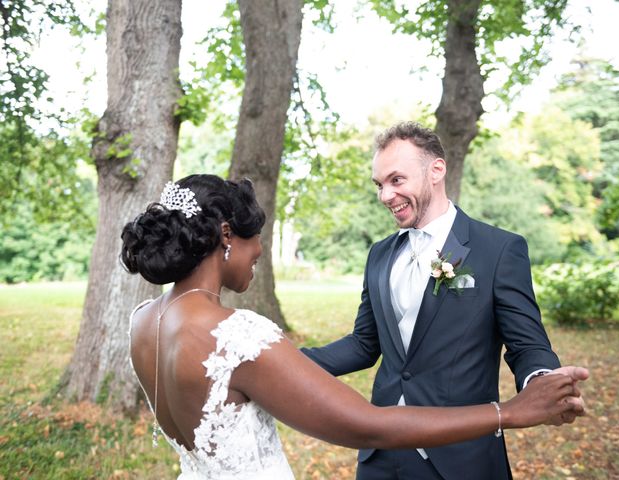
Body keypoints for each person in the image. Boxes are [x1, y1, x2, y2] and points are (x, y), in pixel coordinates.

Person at [122, 174, 587, 480]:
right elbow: (368, 426)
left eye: (396, 179)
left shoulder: (143, 321)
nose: (260, 252)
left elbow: (252, 377)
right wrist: (510, 412)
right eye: (255, 238)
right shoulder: (239, 335)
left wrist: (284, 368)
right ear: (226, 236)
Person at [302, 122, 589, 480]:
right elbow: (364, 344)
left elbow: (527, 345)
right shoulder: (379, 255)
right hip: (381, 452)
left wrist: (542, 381)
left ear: (436, 170)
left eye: (396, 180)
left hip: (461, 457)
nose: (385, 196)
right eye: (379, 185)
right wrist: (281, 360)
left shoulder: (498, 250)